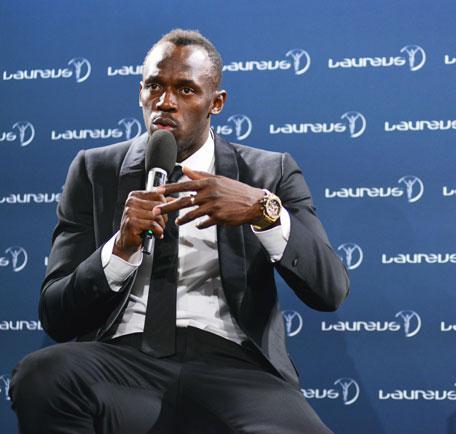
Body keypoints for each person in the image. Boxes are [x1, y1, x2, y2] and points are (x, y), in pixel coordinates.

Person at [9, 29, 349, 434]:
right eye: (155, 86)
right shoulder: (95, 170)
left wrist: (263, 211)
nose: (165, 103)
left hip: (234, 367)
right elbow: (56, 315)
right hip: (123, 364)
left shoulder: (268, 173)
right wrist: (119, 249)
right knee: (43, 373)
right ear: (141, 92)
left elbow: (330, 291)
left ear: (215, 103)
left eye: (186, 90)